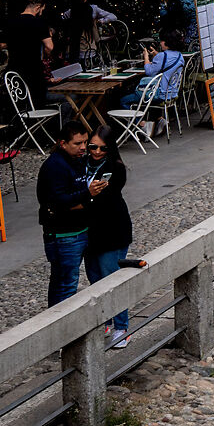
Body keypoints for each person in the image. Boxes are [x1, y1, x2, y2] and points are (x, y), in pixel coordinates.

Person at [83, 132, 140, 348]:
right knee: (95, 277)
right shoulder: (83, 164)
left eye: (102, 148)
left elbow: (106, 197)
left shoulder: (115, 167)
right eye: (93, 147)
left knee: (111, 277)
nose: (96, 152)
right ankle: (105, 321)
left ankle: (121, 327)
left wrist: (87, 196)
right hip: (91, 230)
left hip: (112, 228)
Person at [37, 122, 101, 309]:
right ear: (62, 143)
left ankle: (57, 326)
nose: (83, 147)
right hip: (63, 235)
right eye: (77, 143)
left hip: (78, 230)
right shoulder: (55, 166)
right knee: (65, 284)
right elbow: (59, 201)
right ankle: (60, 328)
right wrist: (88, 194)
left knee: (64, 282)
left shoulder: (77, 160)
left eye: (85, 142)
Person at [118, 38, 184, 110]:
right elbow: (168, 61)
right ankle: (159, 119)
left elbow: (149, 72)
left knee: (123, 100)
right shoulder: (179, 55)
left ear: (167, 42)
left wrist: (146, 57)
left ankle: (139, 121)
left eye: (162, 41)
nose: (160, 43)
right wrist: (157, 54)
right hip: (172, 94)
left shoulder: (162, 56)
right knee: (145, 94)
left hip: (160, 95)